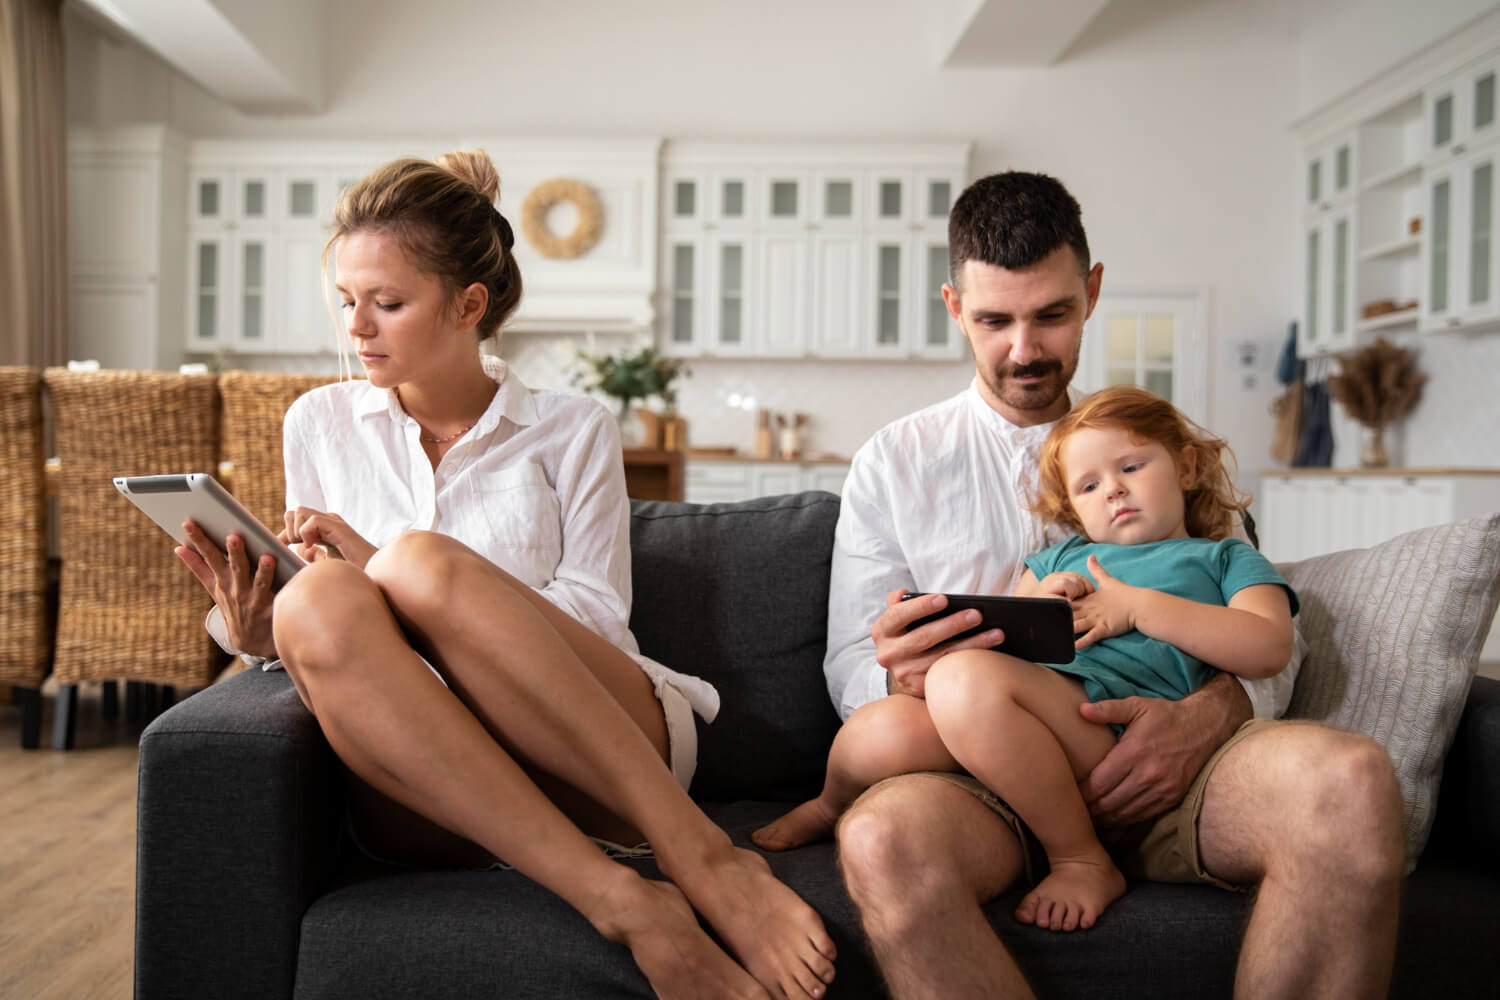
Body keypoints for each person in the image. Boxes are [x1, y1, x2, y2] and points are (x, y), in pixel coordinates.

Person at [173, 150, 835, 1000]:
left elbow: (597, 615)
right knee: (320, 598)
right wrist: (256, 631)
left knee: (412, 562)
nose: (357, 327)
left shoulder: (571, 428)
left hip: (595, 751)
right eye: (346, 300)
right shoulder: (317, 423)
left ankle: (703, 855)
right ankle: (626, 906)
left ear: (468, 305)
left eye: (387, 302)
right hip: (433, 788)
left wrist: (391, 574)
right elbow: (323, 641)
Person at [819, 171, 1405, 998]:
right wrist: (899, 672)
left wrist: (1211, 713)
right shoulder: (893, 463)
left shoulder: (1149, 441)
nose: (1025, 349)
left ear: (1092, 292)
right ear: (954, 307)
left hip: (1187, 768)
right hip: (981, 781)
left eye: (1052, 314)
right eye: (994, 321)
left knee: (1351, 782)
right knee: (882, 840)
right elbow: (849, 665)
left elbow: (1267, 626)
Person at [753, 385, 1298, 934]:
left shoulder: (1224, 557)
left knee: (962, 680)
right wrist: (1045, 600)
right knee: (884, 725)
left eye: (1131, 467)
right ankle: (831, 805)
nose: (1113, 489)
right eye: (1089, 485)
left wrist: (1140, 608)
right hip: (1028, 718)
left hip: (1116, 731)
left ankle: (1080, 857)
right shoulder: (1062, 558)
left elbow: (1269, 646)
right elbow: (1016, 638)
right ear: (1072, 507)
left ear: (1186, 467)